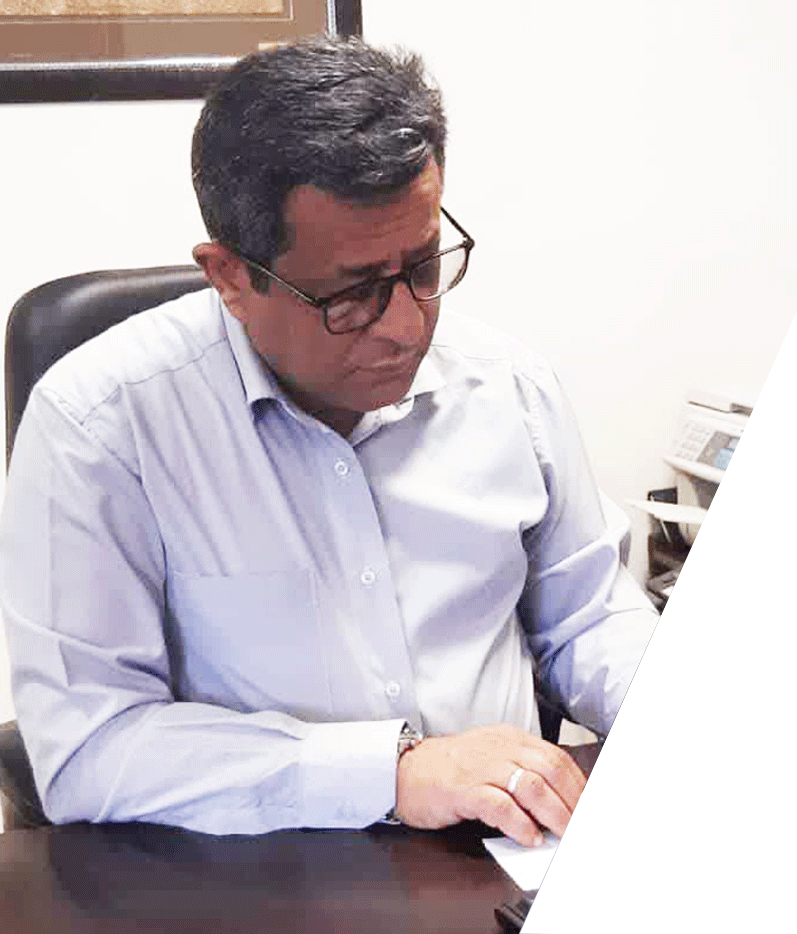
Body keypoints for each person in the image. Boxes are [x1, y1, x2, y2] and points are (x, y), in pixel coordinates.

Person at [0, 35, 657, 846]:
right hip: (254, 873)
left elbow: (587, 617)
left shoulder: (508, 387)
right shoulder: (101, 426)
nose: (407, 327)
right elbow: (90, 749)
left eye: (424, 267)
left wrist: (686, 711)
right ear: (230, 277)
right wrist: (391, 773)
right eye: (353, 295)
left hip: (504, 856)